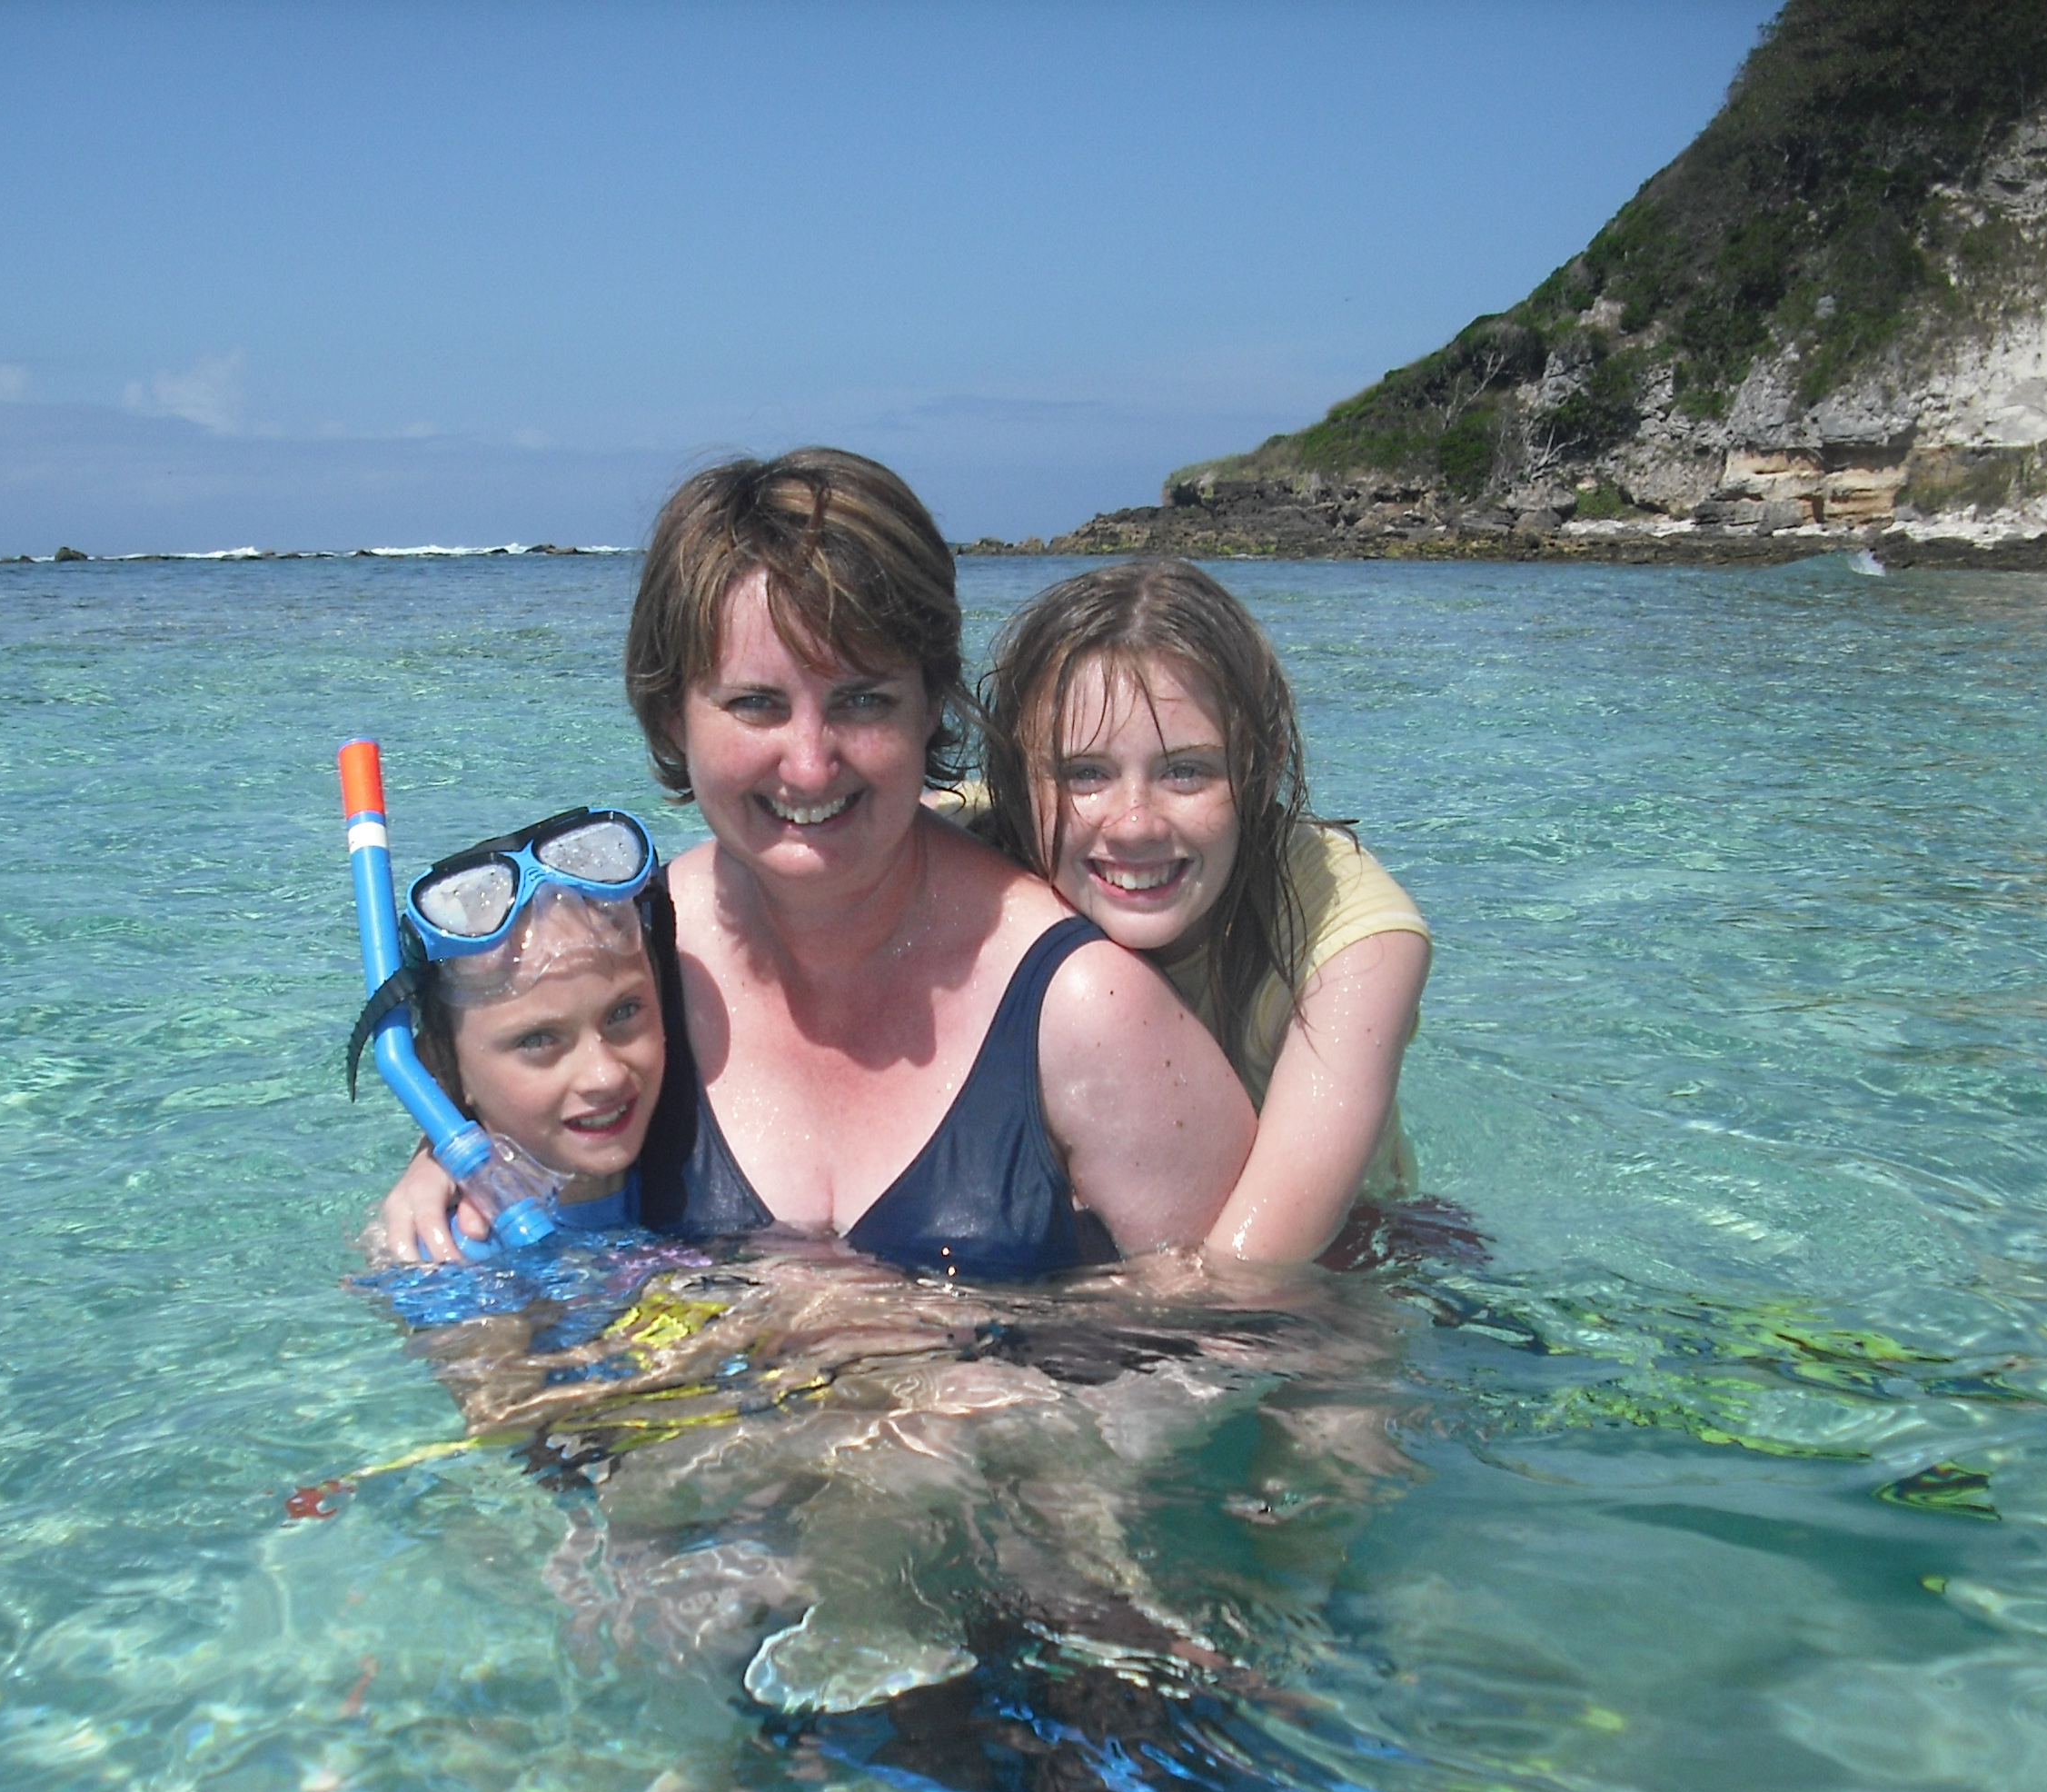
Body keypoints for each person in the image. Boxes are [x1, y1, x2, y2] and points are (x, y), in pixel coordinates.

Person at [379, 450, 1255, 1278]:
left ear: (930, 711)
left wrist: (948, 1386)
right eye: (756, 704)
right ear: (673, 720)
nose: (809, 763)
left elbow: (1254, 1350)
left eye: (863, 700)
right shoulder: (631, 952)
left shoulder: (1083, 1010)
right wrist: (460, 1154)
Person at [969, 559, 1430, 1266]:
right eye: (1083, 774)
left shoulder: (1353, 939)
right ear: (1016, 779)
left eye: (1186, 771)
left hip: (1346, 1266)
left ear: (1263, 771)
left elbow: (1248, 1276)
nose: (1134, 825)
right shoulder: (969, 847)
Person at [360, 807, 668, 1238]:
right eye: (539, 1040)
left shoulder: (689, 1147)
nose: (605, 1075)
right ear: (438, 1069)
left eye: (623, 1013)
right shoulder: (451, 1261)